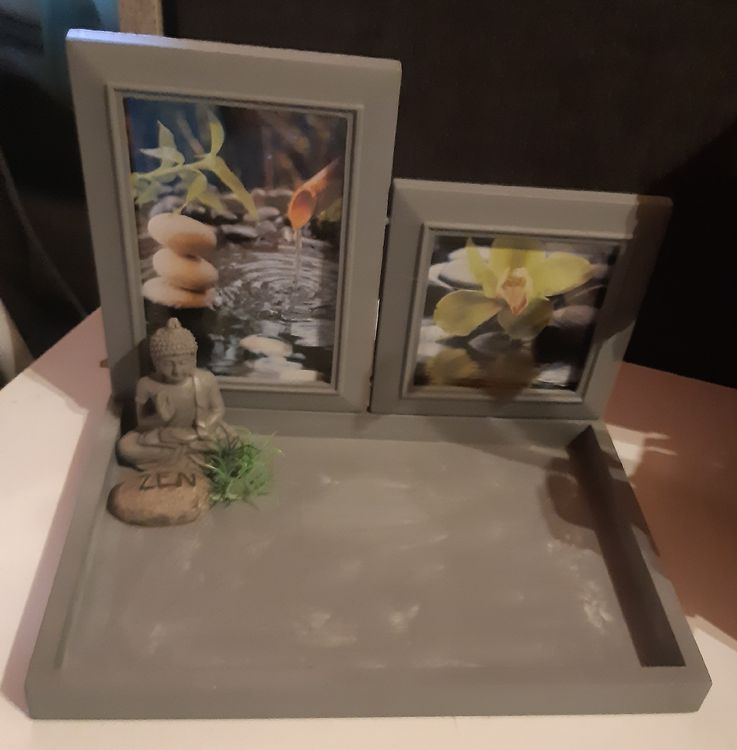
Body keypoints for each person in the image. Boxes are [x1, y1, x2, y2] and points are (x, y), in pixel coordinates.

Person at [117, 318, 231, 470]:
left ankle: (184, 455)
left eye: (183, 363)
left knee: (229, 439)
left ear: (193, 359)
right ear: (156, 363)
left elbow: (218, 410)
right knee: (126, 446)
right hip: (164, 437)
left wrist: (201, 431)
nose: (177, 370)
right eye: (168, 364)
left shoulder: (206, 379)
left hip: (198, 435)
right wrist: (160, 417)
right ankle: (192, 456)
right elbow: (142, 424)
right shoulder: (146, 384)